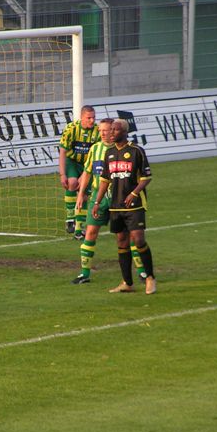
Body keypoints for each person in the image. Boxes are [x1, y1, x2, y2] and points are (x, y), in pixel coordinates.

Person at [71, 118, 149, 285]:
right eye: (100, 131)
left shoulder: (126, 150)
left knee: (128, 237)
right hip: (98, 198)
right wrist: (81, 194)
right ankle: (84, 273)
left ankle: (141, 272)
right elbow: (87, 172)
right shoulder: (95, 149)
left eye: (106, 130)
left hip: (118, 199)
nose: (104, 134)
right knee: (90, 233)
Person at [92, 118, 156, 294]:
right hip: (116, 205)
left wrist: (134, 193)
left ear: (125, 132)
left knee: (138, 239)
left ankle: (150, 278)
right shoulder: (109, 153)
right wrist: (97, 203)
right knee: (121, 242)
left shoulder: (136, 151)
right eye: (110, 129)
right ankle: (127, 282)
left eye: (115, 130)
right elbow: (104, 181)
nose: (111, 133)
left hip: (134, 205)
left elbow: (146, 177)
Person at [59, 105, 100, 240]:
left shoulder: (98, 131)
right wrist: (62, 174)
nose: (92, 120)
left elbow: (97, 156)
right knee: (72, 182)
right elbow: (63, 152)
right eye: (89, 118)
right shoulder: (71, 129)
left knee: (84, 196)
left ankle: (79, 229)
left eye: (93, 117)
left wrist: (85, 175)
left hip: (89, 165)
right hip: (72, 162)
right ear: (82, 117)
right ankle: (70, 219)